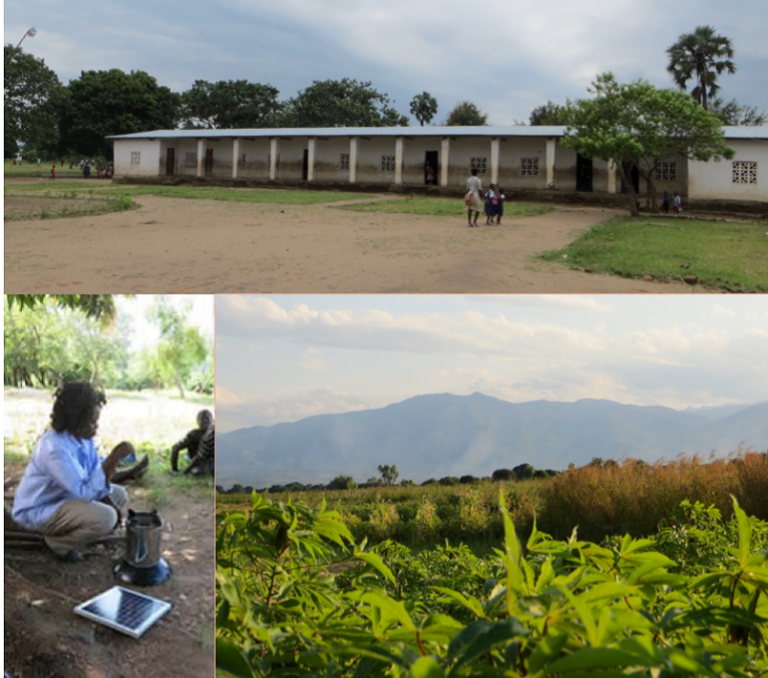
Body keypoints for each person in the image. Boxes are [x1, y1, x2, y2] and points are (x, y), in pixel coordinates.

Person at [11, 382, 136, 561]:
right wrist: (112, 459)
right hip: (39, 510)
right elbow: (84, 492)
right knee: (106, 518)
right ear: (75, 421)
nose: (96, 427)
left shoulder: (82, 438)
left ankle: (76, 528)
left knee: (119, 495)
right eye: (92, 422)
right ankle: (57, 544)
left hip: (65, 498)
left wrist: (112, 502)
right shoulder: (54, 449)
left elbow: (94, 471)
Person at [170, 409, 214, 473]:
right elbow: (175, 448)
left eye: (207, 419)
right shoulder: (193, 435)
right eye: (203, 419)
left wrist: (176, 469)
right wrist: (175, 469)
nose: (205, 421)